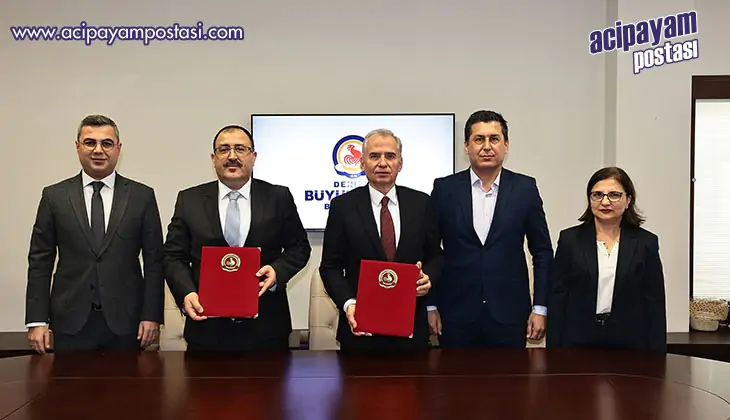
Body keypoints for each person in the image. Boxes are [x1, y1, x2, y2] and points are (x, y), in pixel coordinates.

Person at [163, 124, 311, 351]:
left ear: (253, 157)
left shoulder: (278, 197)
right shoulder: (189, 199)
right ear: (213, 158)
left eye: (240, 149)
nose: (232, 156)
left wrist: (277, 271)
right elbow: (173, 256)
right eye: (224, 149)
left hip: (267, 329)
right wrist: (187, 292)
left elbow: (299, 247)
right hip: (206, 329)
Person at [25, 114, 165, 353]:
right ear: (77, 146)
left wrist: (151, 315)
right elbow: (40, 260)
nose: (98, 150)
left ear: (118, 148)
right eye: (90, 142)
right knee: (67, 380)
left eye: (106, 143)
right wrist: (37, 320)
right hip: (69, 322)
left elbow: (155, 261)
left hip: (126, 323)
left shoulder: (142, 196)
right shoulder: (54, 196)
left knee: (128, 380)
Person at [427, 110, 554, 348]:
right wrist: (430, 305)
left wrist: (540, 308)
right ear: (466, 146)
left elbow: (542, 252)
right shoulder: (445, 189)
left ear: (506, 145)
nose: (487, 146)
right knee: (454, 374)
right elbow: (430, 250)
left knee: (510, 374)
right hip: (454, 315)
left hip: (510, 314)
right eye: (479, 139)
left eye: (494, 139)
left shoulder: (525, 188)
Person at [319, 129, 442, 352]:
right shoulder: (342, 206)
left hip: (411, 331)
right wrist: (349, 303)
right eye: (374, 156)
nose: (382, 163)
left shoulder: (422, 203)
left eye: (390, 156)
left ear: (400, 164)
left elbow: (436, 256)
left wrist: (429, 279)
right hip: (360, 331)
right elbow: (330, 267)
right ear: (362, 163)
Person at [546, 167, 667, 352]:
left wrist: (658, 354)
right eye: (597, 195)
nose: (605, 202)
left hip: (630, 343)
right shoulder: (570, 240)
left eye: (614, 195)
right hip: (578, 341)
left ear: (628, 200)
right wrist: (553, 351)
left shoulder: (646, 243)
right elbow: (558, 297)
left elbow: (654, 303)